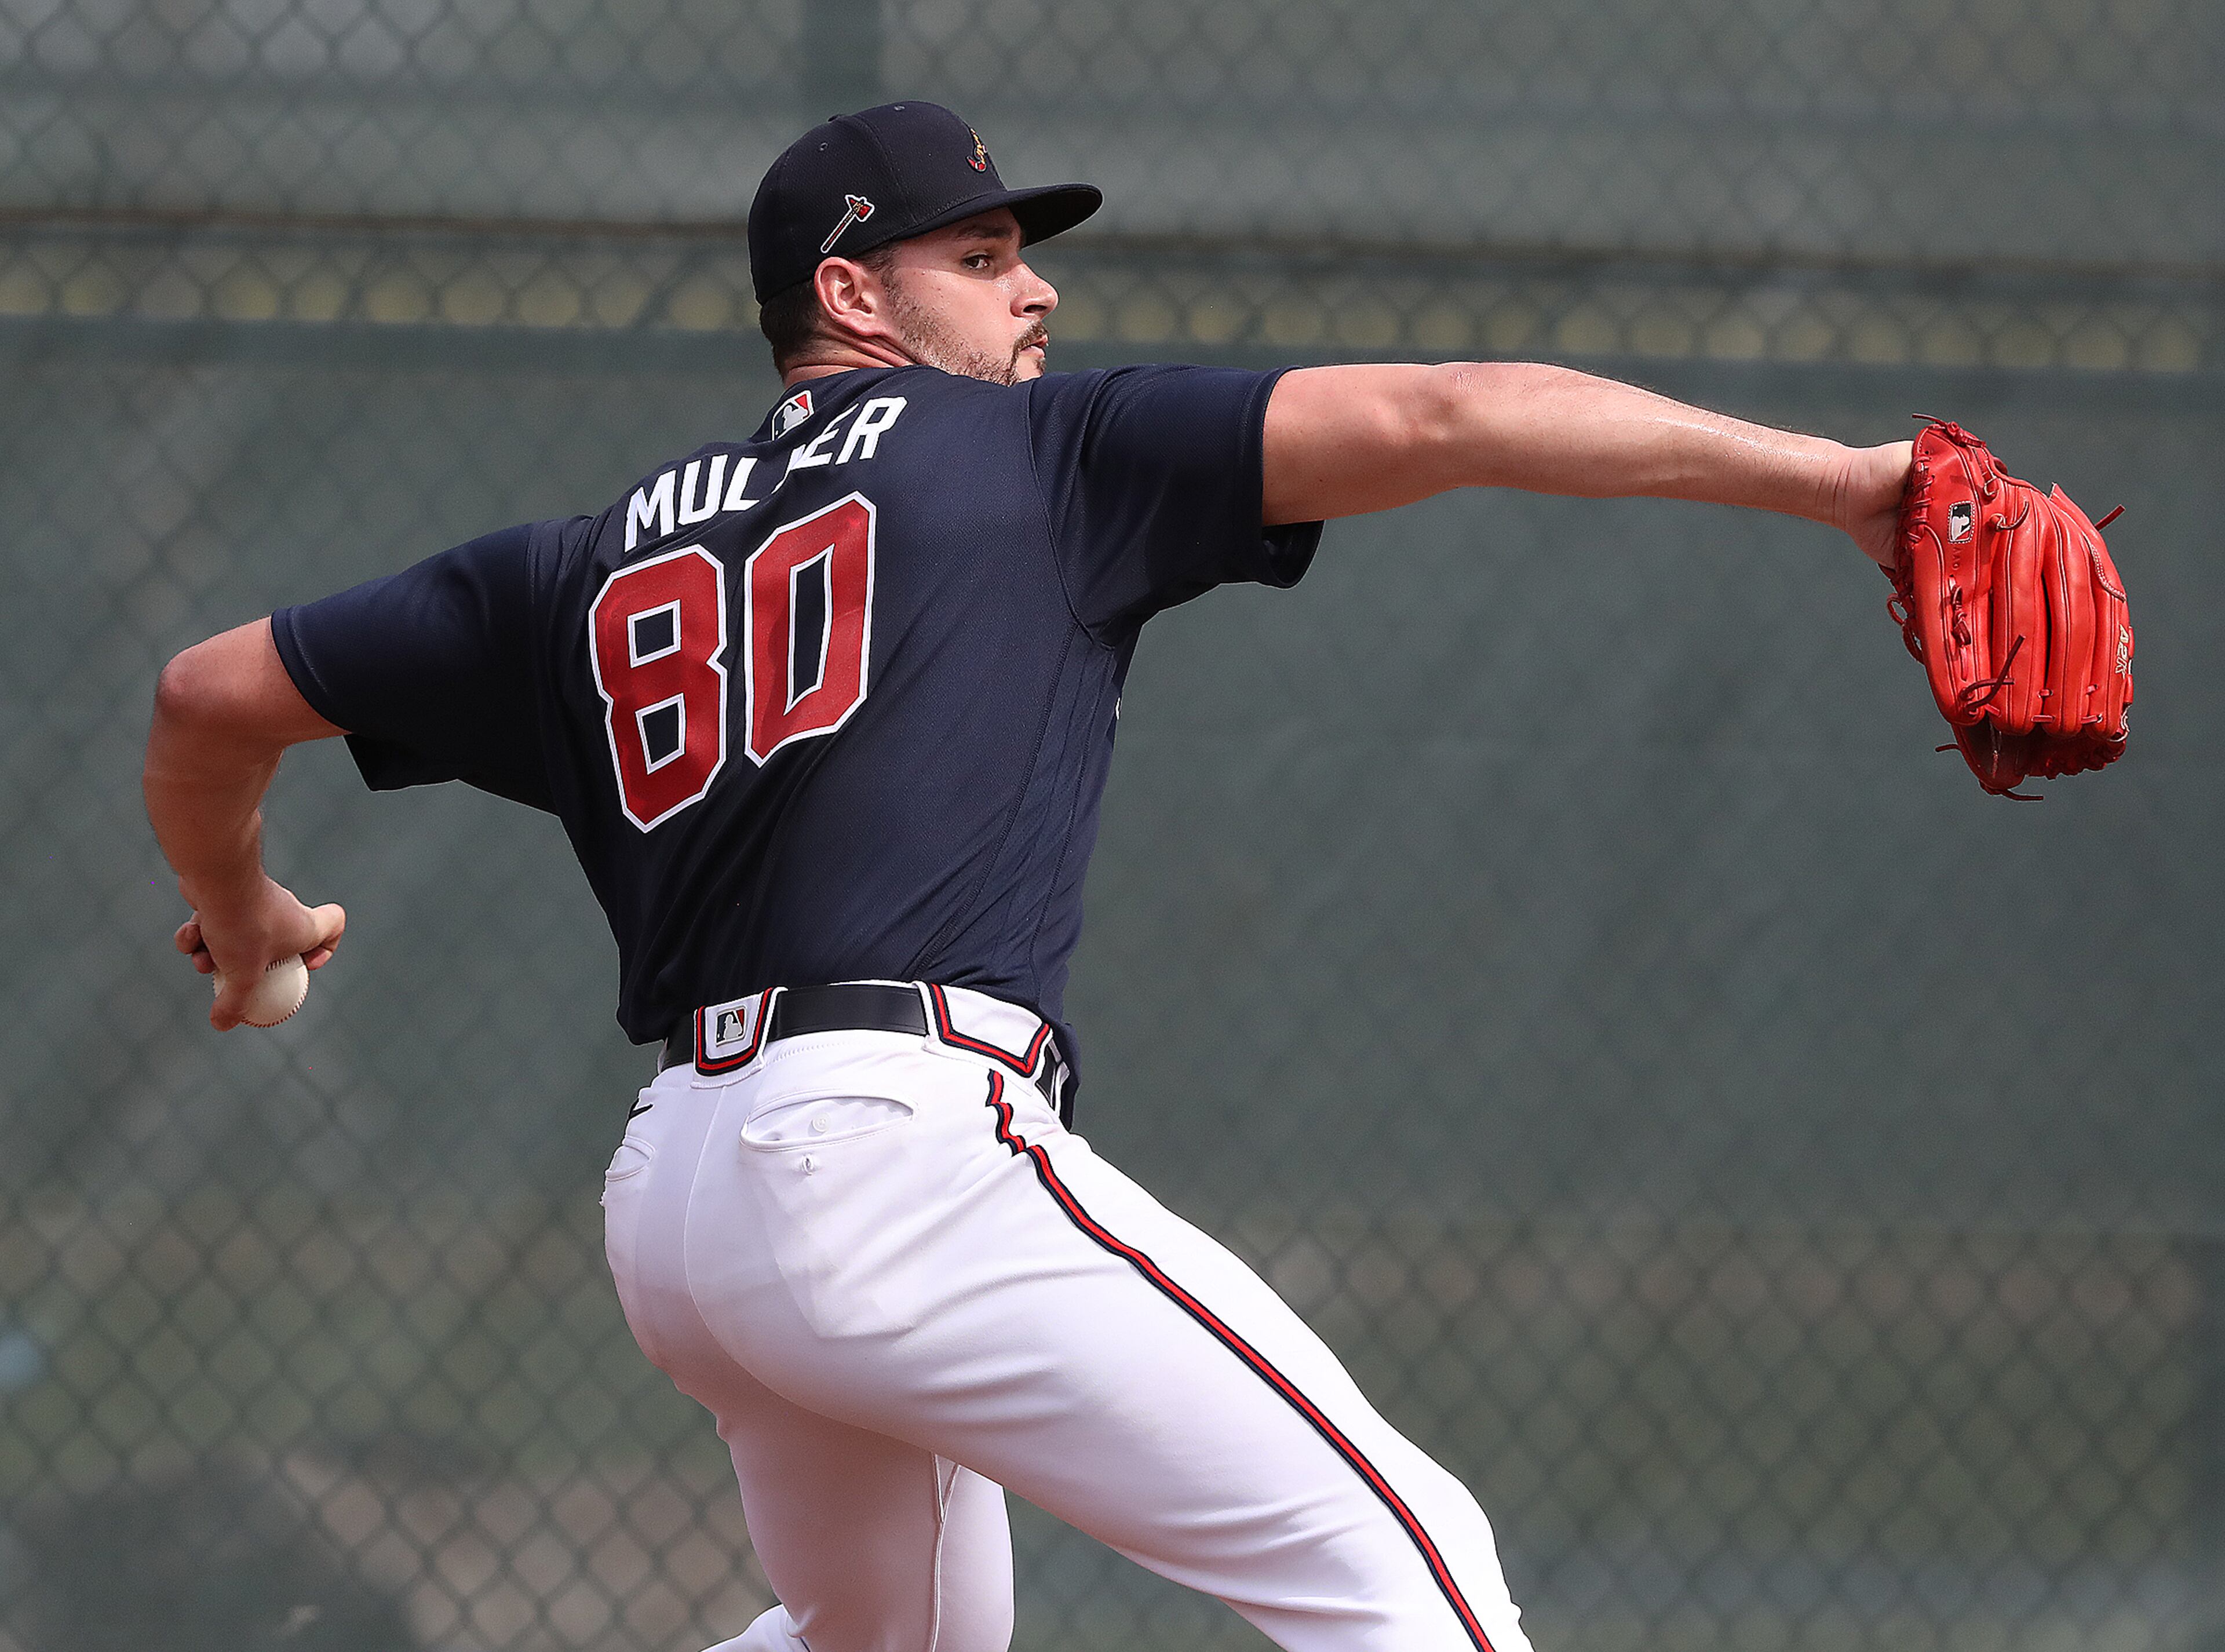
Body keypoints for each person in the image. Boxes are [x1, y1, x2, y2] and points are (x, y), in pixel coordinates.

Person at [144, 101, 1913, 1652]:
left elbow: (208, 696)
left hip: (683, 1195)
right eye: (982, 255)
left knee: (904, 1640)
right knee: (1409, 1565)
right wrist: (1855, 482)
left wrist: (245, 918)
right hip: (893, 1152)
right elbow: (1459, 405)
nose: (1036, 288)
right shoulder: (1039, 456)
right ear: (851, 294)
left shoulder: (581, 562)